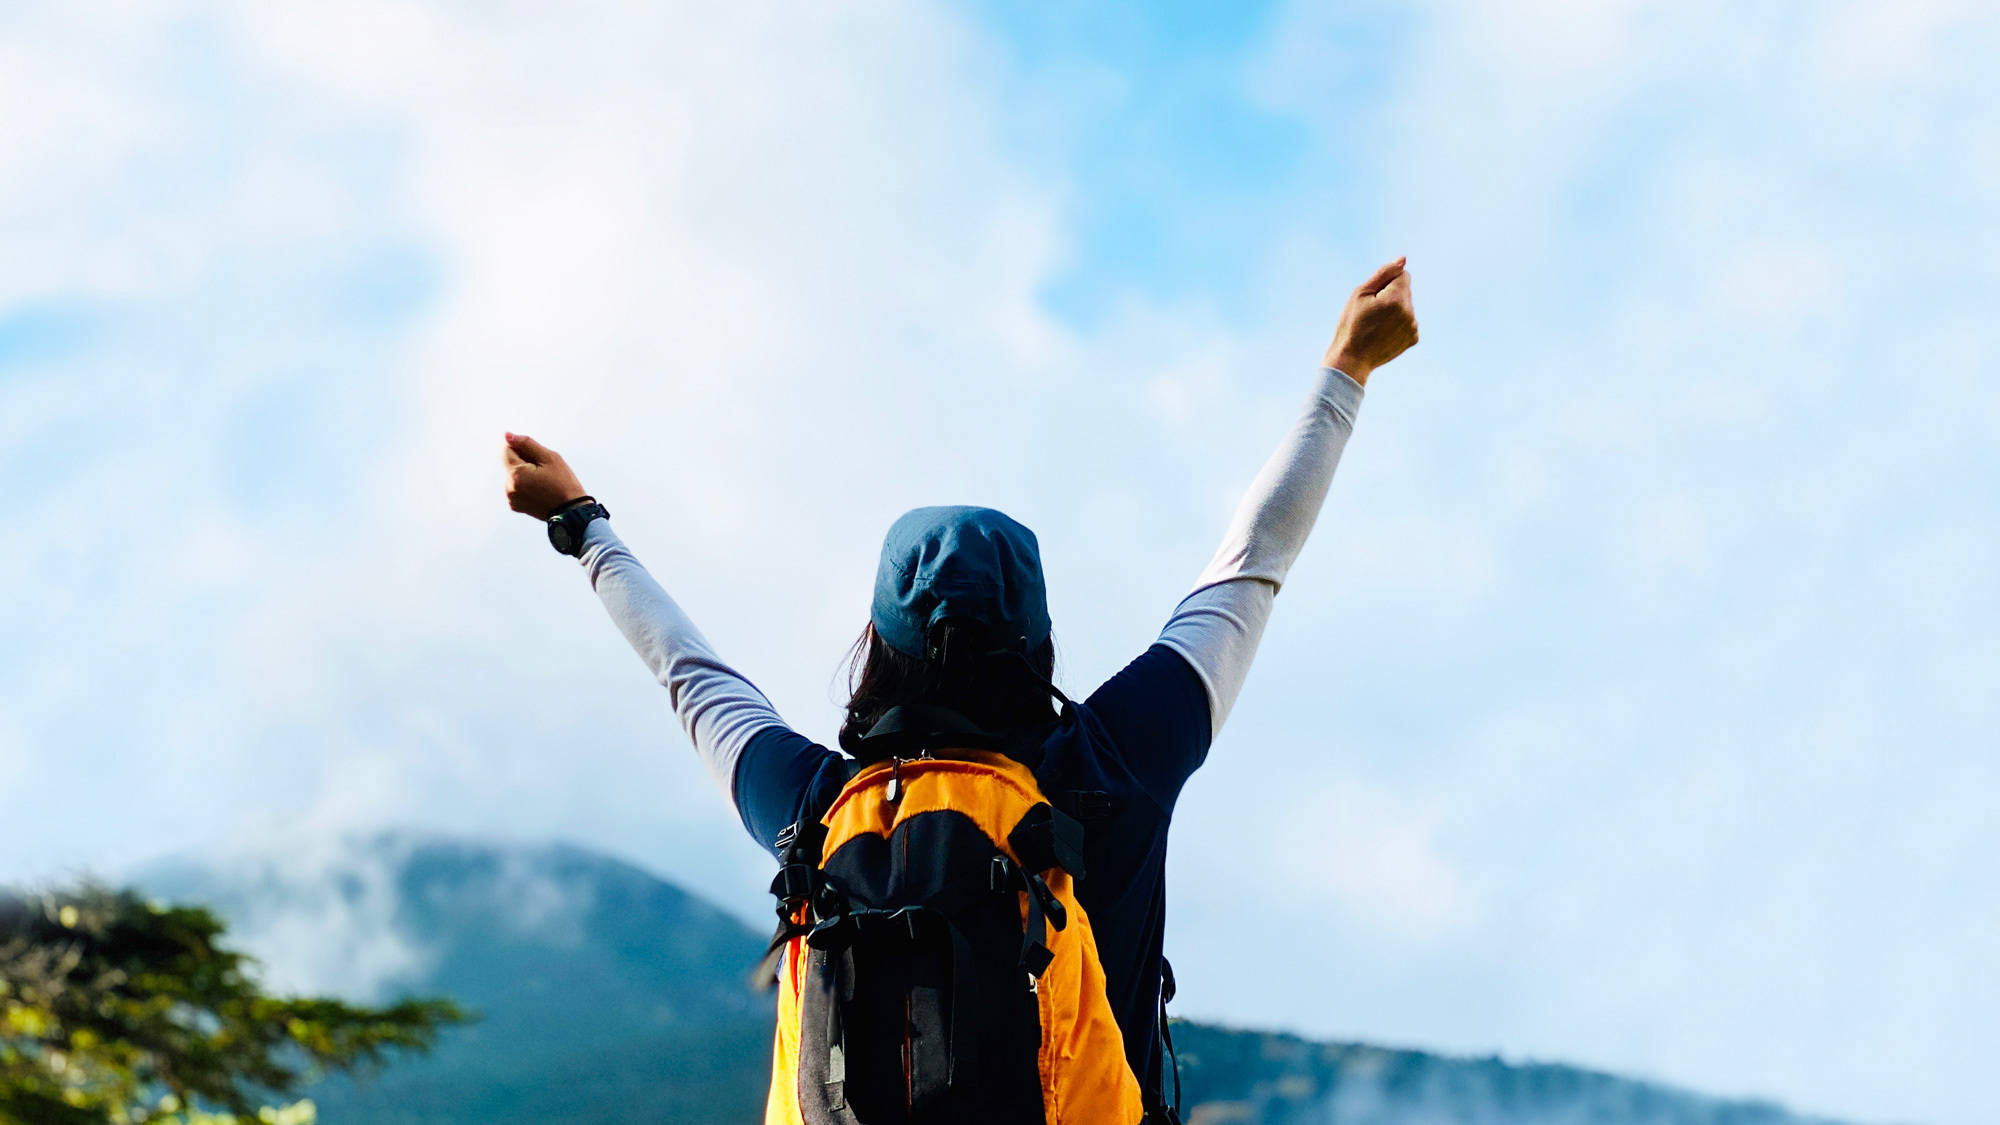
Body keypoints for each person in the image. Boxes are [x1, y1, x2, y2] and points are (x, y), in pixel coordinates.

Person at [503, 259, 1418, 1124]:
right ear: (1041, 641)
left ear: (876, 644)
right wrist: (1348, 366)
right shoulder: (1118, 760)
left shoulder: (815, 807)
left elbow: (688, 673)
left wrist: (582, 525)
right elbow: (1250, 567)